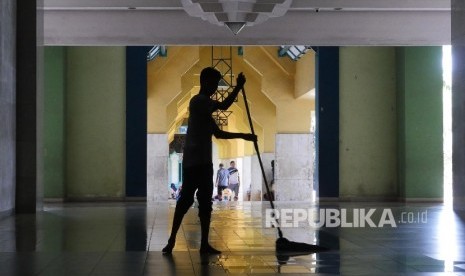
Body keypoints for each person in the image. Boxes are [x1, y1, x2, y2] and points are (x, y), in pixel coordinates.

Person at [162, 67, 256, 255]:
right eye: (213, 84)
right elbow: (224, 105)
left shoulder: (205, 111)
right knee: (185, 201)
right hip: (193, 162)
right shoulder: (197, 102)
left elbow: (219, 133)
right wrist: (237, 87)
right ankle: (172, 240)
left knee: (206, 203)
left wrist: (244, 136)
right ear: (205, 82)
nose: (214, 88)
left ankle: (204, 244)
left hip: (205, 163)